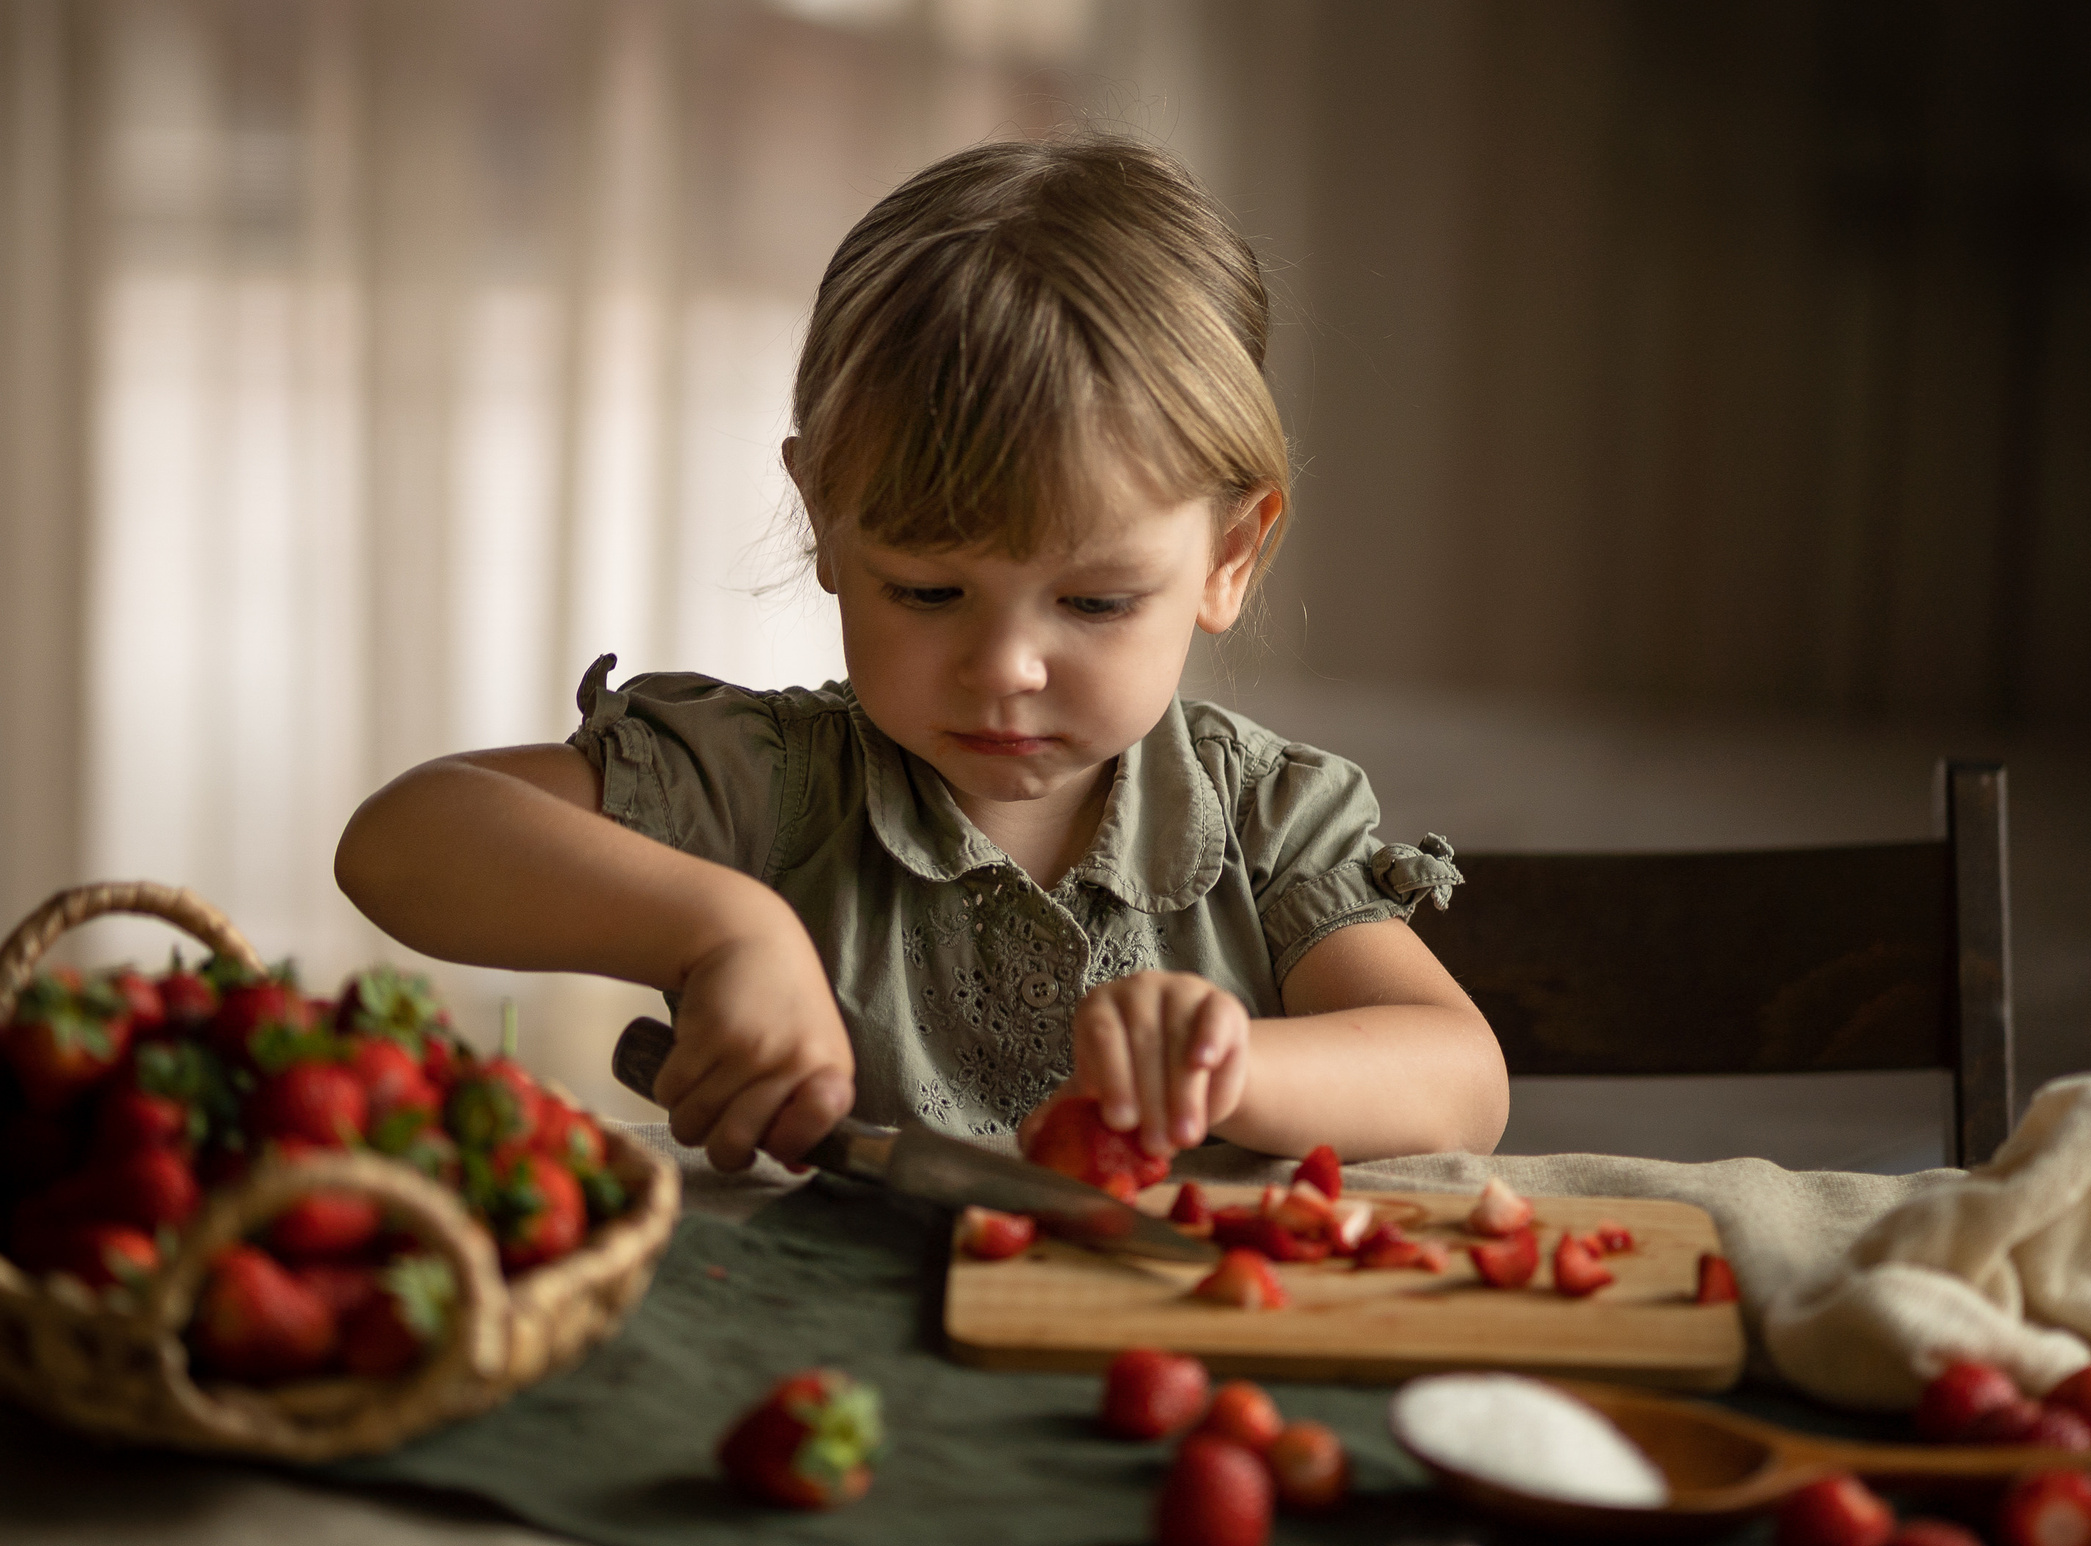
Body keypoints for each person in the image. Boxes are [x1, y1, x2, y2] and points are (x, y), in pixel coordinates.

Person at [336, 135, 1508, 1175]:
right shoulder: (769, 786)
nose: (1003, 667)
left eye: (1094, 601)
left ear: (1228, 555)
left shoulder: (1264, 819)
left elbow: (1461, 1081)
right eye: (928, 591)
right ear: (824, 520)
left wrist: (1233, 1067)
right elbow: (401, 842)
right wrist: (722, 928)